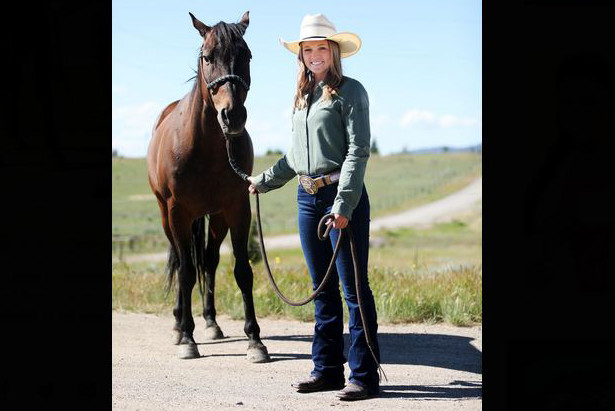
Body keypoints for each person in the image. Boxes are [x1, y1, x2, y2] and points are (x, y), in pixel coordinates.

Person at [247, 13, 381, 401]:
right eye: (308, 49)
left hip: (343, 198)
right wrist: (264, 181)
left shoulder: (351, 92)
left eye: (322, 47)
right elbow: (295, 157)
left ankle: (364, 376)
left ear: (333, 51)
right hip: (307, 199)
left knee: (353, 289)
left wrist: (344, 204)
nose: (315, 54)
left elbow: (358, 151)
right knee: (321, 290)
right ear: (301, 55)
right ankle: (326, 370)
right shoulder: (302, 98)